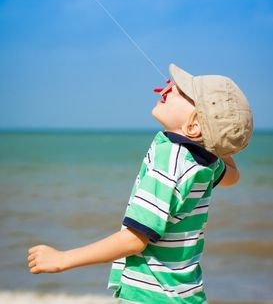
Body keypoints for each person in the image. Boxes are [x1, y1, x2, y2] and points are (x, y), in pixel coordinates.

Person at [27, 63, 253, 303]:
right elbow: (233, 175)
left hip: (151, 296)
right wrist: (216, 139)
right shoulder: (204, 161)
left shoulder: (170, 158)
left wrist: (62, 259)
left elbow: (134, 240)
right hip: (185, 295)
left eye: (182, 91)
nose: (170, 86)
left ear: (194, 126)